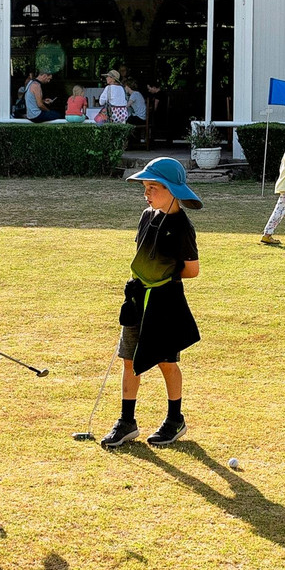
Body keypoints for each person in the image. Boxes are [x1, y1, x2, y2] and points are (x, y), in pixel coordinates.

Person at [100, 157, 202, 449]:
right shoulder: (147, 215)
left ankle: (175, 419)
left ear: (171, 189)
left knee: (165, 361)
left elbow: (192, 270)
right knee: (129, 359)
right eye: (144, 187)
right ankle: (127, 421)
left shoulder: (182, 226)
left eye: (152, 187)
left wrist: (162, 278)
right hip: (137, 298)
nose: (146, 193)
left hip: (165, 301)